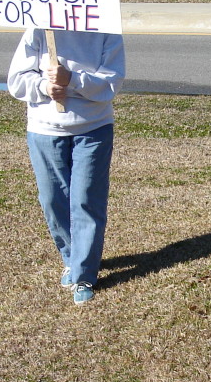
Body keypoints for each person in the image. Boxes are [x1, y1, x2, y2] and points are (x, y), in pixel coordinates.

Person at [7, 27, 125, 305]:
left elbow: (111, 84)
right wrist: (44, 87)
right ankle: (72, 257)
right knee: (52, 199)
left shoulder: (107, 31)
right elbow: (17, 81)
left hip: (93, 128)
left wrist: (72, 79)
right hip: (45, 129)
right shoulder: (38, 31)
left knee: (85, 199)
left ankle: (84, 273)